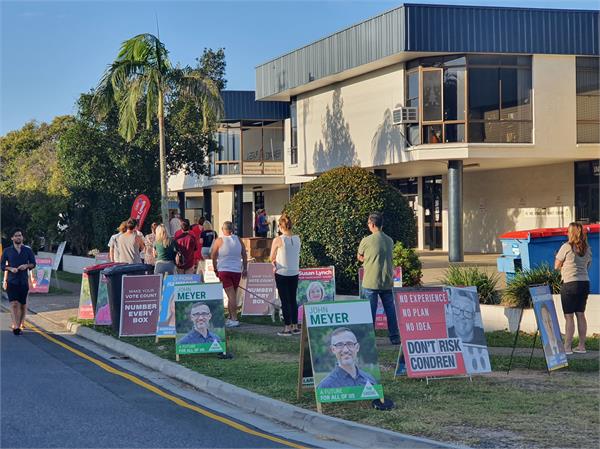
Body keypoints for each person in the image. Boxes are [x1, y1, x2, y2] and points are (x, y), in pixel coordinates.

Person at [357, 213, 400, 345]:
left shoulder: (366, 240)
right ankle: (395, 337)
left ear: (373, 224)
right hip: (386, 281)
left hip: (370, 281)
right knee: (390, 311)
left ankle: (369, 339)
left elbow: (360, 256)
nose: (368, 225)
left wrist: (366, 260)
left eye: (368, 223)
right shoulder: (389, 240)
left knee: (369, 312)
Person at [555, 222, 592, 355]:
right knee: (581, 314)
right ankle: (581, 347)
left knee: (569, 317)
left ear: (571, 233)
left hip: (570, 283)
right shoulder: (587, 248)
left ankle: (567, 347)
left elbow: (556, 265)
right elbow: (588, 265)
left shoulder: (566, 247)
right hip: (584, 283)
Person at [211, 221, 248, 328]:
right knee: (232, 295)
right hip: (236, 271)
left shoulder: (219, 240)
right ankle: (231, 317)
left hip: (224, 271)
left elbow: (213, 255)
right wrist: (245, 268)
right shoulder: (238, 240)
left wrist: (215, 268)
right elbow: (244, 255)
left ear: (223, 230)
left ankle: (234, 319)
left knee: (231, 296)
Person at [270, 214, 301, 336]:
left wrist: (274, 260)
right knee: (293, 300)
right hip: (294, 272)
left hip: (282, 272)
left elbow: (271, 257)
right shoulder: (297, 238)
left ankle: (287, 327)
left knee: (285, 300)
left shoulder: (278, 239)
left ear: (280, 226)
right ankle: (295, 325)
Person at [1, 229, 36, 335]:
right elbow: (2, 266)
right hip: (12, 281)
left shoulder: (27, 250)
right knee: (14, 304)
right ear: (12, 238)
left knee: (22, 305)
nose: (18, 237)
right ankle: (16, 326)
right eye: (16, 236)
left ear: (22, 237)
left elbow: (33, 264)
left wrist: (26, 266)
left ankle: (20, 324)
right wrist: (11, 269)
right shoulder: (7, 251)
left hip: (23, 281)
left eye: (20, 235)